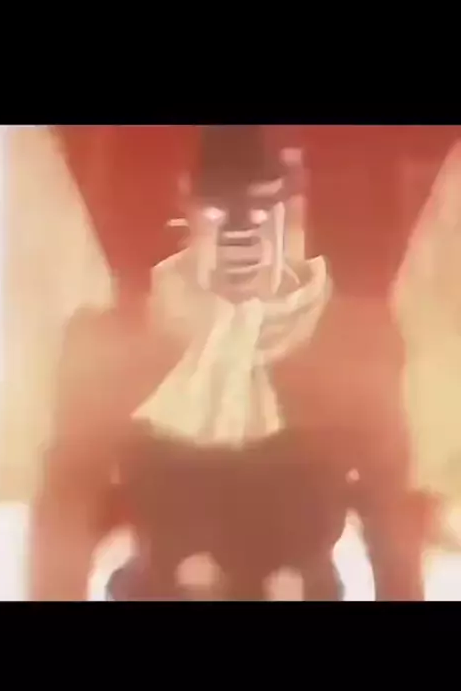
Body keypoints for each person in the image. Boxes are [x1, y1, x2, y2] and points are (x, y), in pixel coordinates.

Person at [30, 125, 426, 601]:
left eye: (262, 208)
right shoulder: (113, 349)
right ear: (186, 206)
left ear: (293, 210)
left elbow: (392, 526)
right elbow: (64, 518)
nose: (241, 234)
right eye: (219, 209)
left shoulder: (353, 348)